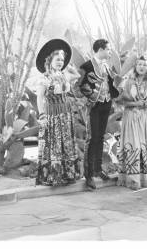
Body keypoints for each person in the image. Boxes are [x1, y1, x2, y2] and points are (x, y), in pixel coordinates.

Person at [34, 39, 82, 186]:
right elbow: (40, 97)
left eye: (62, 60)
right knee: (54, 144)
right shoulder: (45, 78)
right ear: (50, 60)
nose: (60, 62)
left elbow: (77, 76)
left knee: (65, 144)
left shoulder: (63, 75)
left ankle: (67, 174)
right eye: (57, 59)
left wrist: (70, 67)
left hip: (65, 114)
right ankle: (54, 175)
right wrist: (42, 115)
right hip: (52, 114)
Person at [79, 39, 121, 190]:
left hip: (106, 103)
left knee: (100, 137)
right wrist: (91, 98)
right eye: (108, 49)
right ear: (101, 49)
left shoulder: (107, 66)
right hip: (93, 106)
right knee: (91, 138)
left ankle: (98, 169)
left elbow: (111, 84)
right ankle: (89, 174)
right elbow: (80, 86)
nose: (110, 52)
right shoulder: (86, 66)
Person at [116, 55, 147, 189]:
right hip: (131, 117)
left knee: (145, 144)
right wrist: (136, 103)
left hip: (146, 118)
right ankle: (133, 179)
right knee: (133, 145)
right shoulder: (127, 83)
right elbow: (120, 101)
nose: (142, 67)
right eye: (139, 64)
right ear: (135, 67)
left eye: (145, 65)